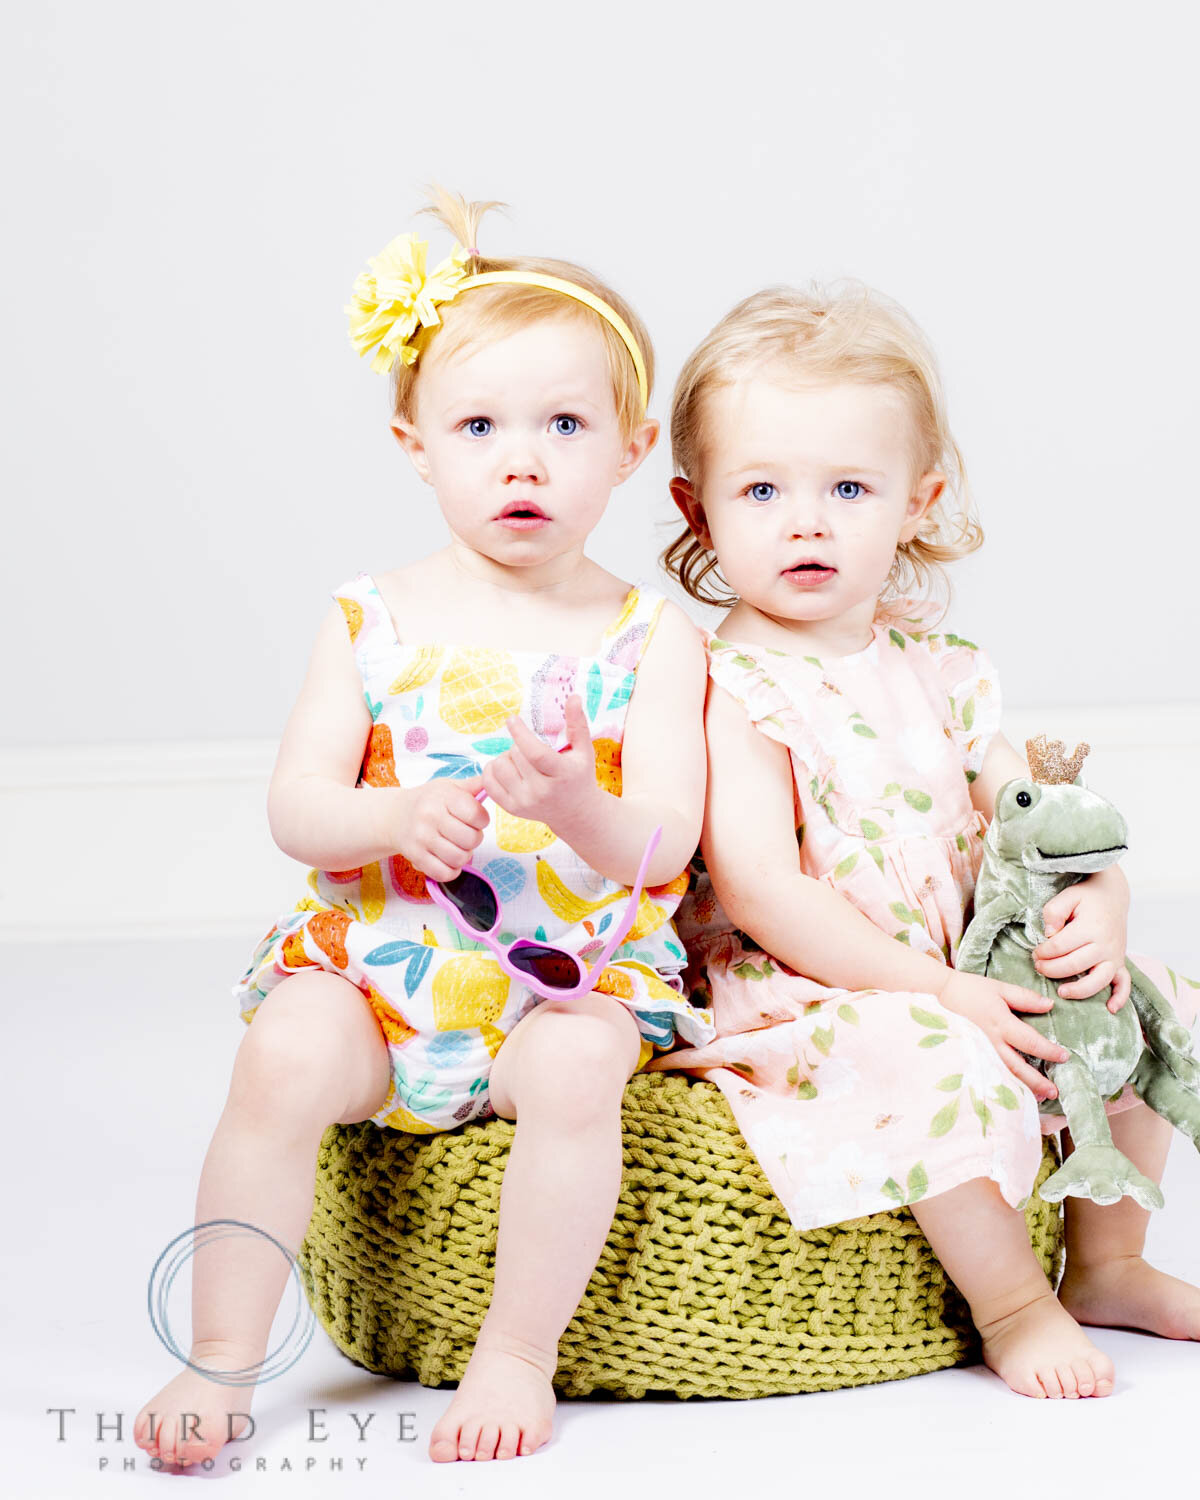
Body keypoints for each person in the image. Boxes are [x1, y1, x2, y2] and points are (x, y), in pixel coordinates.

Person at [134, 191, 712, 1467]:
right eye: (479, 426)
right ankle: (223, 1355)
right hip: (383, 971)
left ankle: (514, 1351)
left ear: (628, 447)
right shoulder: (371, 619)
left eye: (565, 424)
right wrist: (392, 812)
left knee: (574, 1073)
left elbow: (668, 845)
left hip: (556, 979)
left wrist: (577, 804)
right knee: (284, 1052)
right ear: (415, 445)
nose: (523, 459)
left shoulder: (652, 635)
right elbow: (298, 808)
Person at [655, 281, 1200, 1401]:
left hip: (967, 962)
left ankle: (1110, 1262)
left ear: (918, 500)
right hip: (824, 982)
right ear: (698, 512)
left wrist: (1102, 902)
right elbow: (761, 889)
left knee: (1149, 1004)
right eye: (761, 490)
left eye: (849, 487)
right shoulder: (727, 682)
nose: (806, 521)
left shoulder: (937, 668)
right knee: (934, 1059)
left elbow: (1035, 815)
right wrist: (934, 993)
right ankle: (1013, 1304)